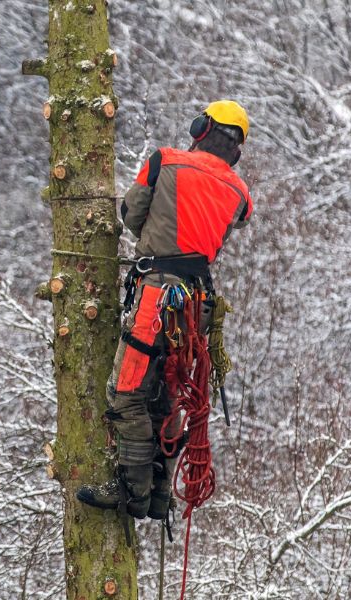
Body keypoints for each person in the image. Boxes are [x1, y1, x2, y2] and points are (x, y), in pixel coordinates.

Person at [75, 100, 253, 520]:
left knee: (125, 391)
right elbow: (233, 223)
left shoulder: (164, 161)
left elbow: (132, 215)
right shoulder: (239, 192)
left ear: (201, 128)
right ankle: (159, 490)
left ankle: (131, 490)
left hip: (159, 294)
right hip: (199, 303)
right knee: (169, 392)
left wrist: (156, 233)